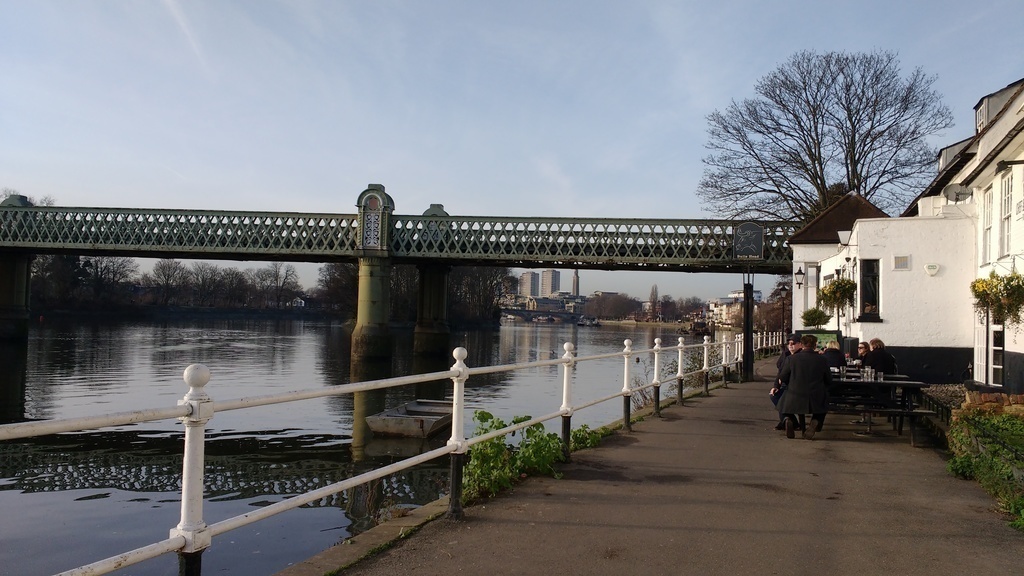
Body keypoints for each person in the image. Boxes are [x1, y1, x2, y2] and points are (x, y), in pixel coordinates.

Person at [776, 334, 831, 440]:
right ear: (815, 345)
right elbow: (828, 379)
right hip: (815, 395)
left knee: (782, 407)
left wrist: (788, 384)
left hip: (794, 393)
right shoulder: (822, 360)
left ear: (802, 345)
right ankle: (815, 422)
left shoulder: (791, 359)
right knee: (822, 408)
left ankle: (788, 419)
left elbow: (783, 377)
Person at [770, 335, 801, 430]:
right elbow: (780, 372)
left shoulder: (801, 357)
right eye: (789, 343)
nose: (790, 345)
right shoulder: (785, 355)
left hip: (797, 387)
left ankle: (786, 420)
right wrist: (776, 386)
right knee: (774, 395)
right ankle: (788, 420)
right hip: (785, 386)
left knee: (782, 399)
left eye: (793, 343)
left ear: (800, 344)